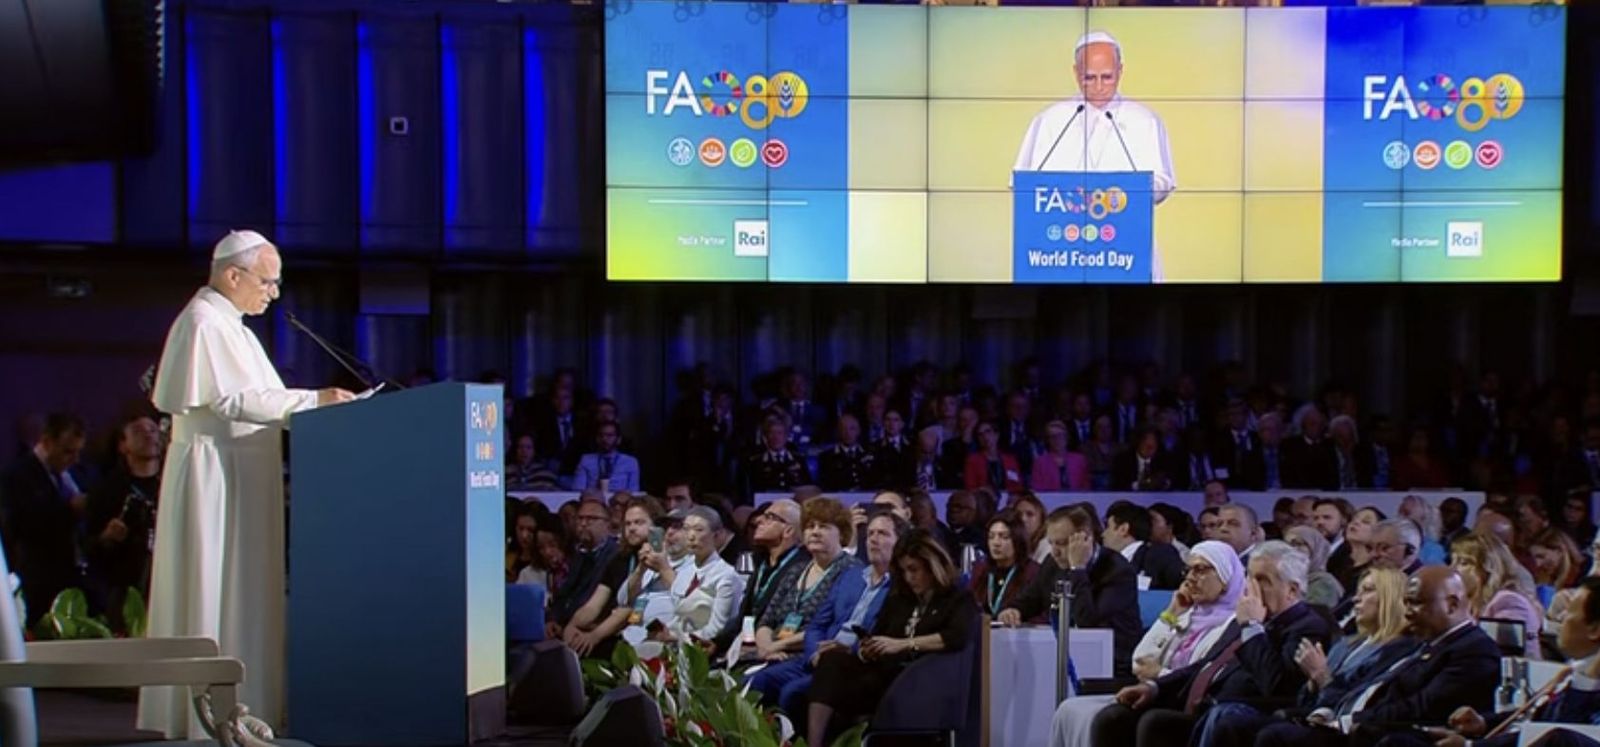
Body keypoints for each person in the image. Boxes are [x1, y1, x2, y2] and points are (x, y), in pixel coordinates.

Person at [139, 230, 355, 737]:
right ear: (233, 275)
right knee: (214, 582)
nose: (274, 292)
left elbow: (251, 396)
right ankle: (204, 716)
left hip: (242, 469)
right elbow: (233, 401)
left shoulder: (229, 323)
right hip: (216, 476)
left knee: (243, 589)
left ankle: (245, 707)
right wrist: (314, 401)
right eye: (267, 280)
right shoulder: (202, 322)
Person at [1091, 541, 1335, 747]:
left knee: (1156, 722)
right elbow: (1205, 666)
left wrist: (1251, 627)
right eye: (1250, 577)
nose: (1252, 588)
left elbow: (1277, 684)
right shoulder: (1247, 618)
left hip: (1241, 713)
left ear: (1291, 590)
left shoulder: (1306, 626)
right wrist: (1155, 687)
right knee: (1114, 718)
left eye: (1263, 580)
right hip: (1202, 705)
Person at [1253, 566, 1500, 747]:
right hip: (1352, 724)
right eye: (1406, 603)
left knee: (1274, 737)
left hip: (1379, 733)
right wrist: (1330, 712)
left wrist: (1349, 721)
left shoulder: (1473, 649)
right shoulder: (1428, 643)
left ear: (1452, 605)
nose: (1409, 613)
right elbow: (1364, 687)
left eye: (1416, 603)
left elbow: (1421, 706)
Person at [1012, 31, 1177, 278]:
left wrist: (1123, 190)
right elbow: (1022, 183)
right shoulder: (1050, 120)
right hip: (1059, 252)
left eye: (1107, 77)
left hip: (1125, 249)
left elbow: (1164, 182)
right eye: (1090, 78)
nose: (1099, 87)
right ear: (1076, 73)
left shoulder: (1144, 120)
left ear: (1120, 71)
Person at [1193, 567, 1417, 747]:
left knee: (1233, 718)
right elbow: (1304, 700)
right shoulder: (1345, 645)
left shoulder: (1396, 650)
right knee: (1221, 714)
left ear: (1391, 599)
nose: (1356, 599)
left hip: (1342, 729)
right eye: (1358, 590)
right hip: (1308, 716)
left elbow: (1358, 700)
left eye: (1368, 590)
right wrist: (1311, 684)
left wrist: (1322, 678)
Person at [1049, 540, 1244, 747]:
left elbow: (1203, 678)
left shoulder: (1233, 625)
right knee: (1069, 708)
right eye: (1188, 570)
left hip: (1182, 700)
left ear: (1226, 577)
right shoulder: (1187, 614)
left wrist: (1160, 674)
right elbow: (1139, 660)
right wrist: (1171, 613)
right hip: (1157, 692)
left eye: (1200, 570)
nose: (1190, 578)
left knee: (1112, 718)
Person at [806, 530, 977, 747]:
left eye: (914, 570)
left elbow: (957, 637)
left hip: (923, 680)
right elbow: (880, 633)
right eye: (904, 571)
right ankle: (814, 744)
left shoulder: (957, 597)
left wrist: (904, 644)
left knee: (835, 689)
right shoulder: (900, 598)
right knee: (831, 661)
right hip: (887, 673)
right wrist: (865, 650)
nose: (909, 577)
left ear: (933, 566)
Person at [747, 512, 908, 714]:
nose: (874, 539)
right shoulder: (852, 577)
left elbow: (886, 632)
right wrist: (814, 654)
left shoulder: (900, 587)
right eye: (870, 534)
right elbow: (818, 624)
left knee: (792, 693)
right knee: (757, 682)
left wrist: (848, 650)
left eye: (883, 534)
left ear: (900, 542)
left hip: (853, 662)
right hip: (817, 656)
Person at [1421, 576, 1600, 747]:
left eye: (1568, 612)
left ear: (1595, 629)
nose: (1559, 618)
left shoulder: (1588, 683)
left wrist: (1472, 746)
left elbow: (1560, 734)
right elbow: (1536, 720)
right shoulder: (1577, 668)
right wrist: (1484, 723)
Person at [998, 506, 1142, 678]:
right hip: (1064, 657)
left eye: (1062, 543)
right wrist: (1014, 610)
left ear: (1085, 538)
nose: (1055, 552)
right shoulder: (1053, 563)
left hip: (1110, 665)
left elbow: (1087, 622)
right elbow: (1031, 597)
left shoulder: (1118, 571)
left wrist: (1078, 568)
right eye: (1051, 543)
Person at [1, 412, 89, 629]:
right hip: (37, 581)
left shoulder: (74, 475)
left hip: (71, 577)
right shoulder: (17, 476)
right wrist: (70, 511)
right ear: (47, 442)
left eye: (78, 452)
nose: (74, 459)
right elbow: (21, 526)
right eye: (68, 451)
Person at [753, 498, 861, 662]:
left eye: (823, 526)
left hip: (809, 655)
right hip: (771, 652)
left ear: (842, 533)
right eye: (810, 527)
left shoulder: (851, 570)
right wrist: (765, 648)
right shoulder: (796, 569)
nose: (815, 532)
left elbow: (829, 628)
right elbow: (766, 621)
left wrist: (778, 646)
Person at [648, 506, 745, 645]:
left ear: (716, 535)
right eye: (686, 529)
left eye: (699, 530)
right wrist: (667, 631)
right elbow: (678, 617)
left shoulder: (727, 576)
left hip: (706, 651)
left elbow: (717, 629)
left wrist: (676, 637)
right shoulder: (685, 572)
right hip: (676, 647)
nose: (691, 536)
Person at [1450, 531, 1544, 657]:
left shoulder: (1508, 601)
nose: (1452, 569)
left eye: (1464, 563)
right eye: (1452, 561)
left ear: (1487, 568)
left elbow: (1500, 657)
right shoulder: (1468, 602)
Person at [969, 511, 1040, 620]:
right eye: (991, 537)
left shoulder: (1032, 572)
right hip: (984, 633)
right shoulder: (980, 570)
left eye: (1004, 537)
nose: (996, 543)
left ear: (1018, 539)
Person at [1102, 502, 1185, 591]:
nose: (1103, 534)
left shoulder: (1160, 554)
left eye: (1108, 527)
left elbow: (1184, 586)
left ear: (1123, 529)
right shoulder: (1106, 564)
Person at [1284, 525, 1345, 610]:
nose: (1291, 550)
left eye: (1298, 544)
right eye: (1287, 545)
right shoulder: (1288, 580)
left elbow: (1313, 617)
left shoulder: (1324, 583)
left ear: (1316, 548)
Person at [1031, 420, 1089, 491]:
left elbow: (1086, 488)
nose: (1057, 440)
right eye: (1052, 437)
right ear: (1048, 440)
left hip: (1077, 500)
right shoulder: (1040, 462)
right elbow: (1038, 490)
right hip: (1050, 501)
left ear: (1066, 437)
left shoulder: (1080, 460)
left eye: (1060, 435)